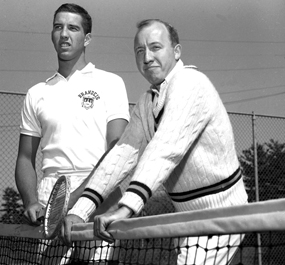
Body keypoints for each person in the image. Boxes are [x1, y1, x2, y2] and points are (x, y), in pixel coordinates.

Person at [61, 19, 248, 264]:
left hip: (224, 214)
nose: (147, 57)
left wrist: (126, 207)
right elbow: (120, 156)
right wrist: (79, 211)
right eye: (140, 51)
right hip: (186, 220)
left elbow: (164, 149)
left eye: (155, 47)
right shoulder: (147, 102)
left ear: (177, 51)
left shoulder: (191, 82)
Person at [15, 3, 129, 264]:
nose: (64, 34)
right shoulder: (36, 93)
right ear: (52, 34)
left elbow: (117, 150)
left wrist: (77, 199)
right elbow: (24, 158)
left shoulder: (111, 83)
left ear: (86, 38)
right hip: (50, 195)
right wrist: (32, 200)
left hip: (100, 193)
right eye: (58, 27)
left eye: (73, 28)